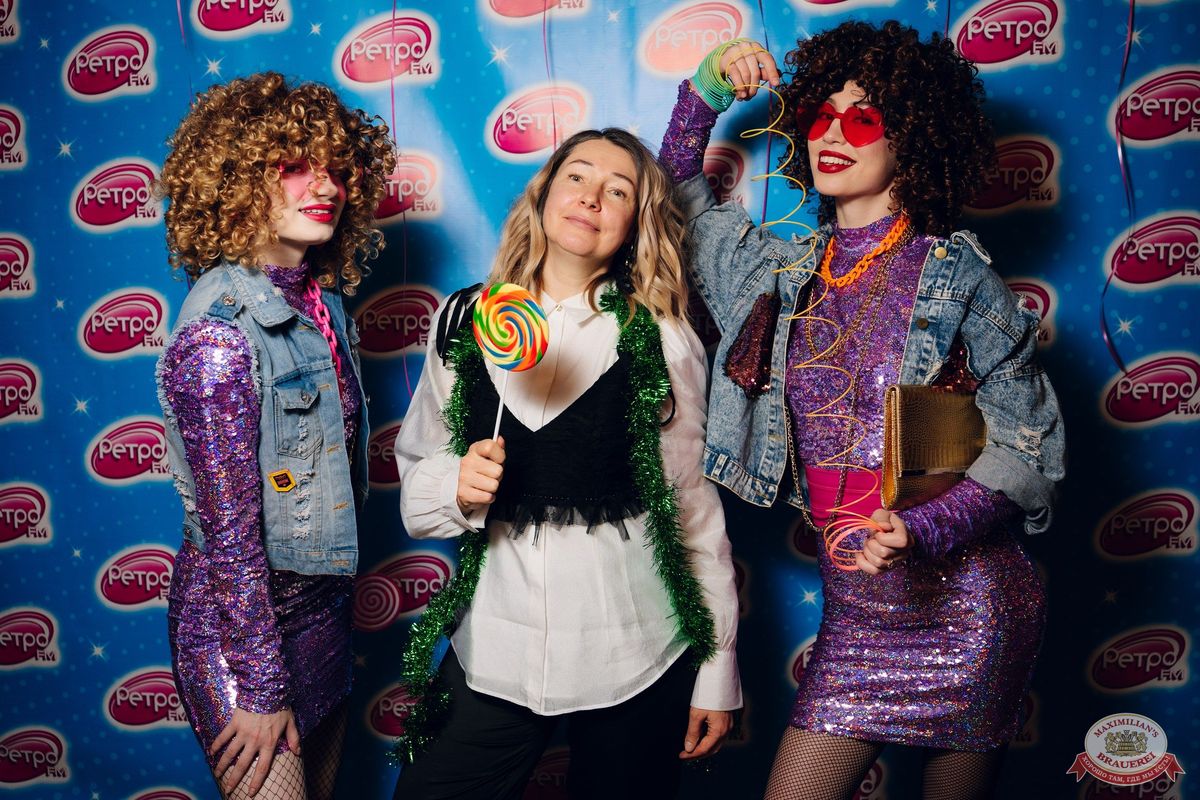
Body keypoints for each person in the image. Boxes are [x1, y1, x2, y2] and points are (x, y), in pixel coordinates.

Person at [658, 20, 1064, 800]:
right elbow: (678, 199)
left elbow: (1030, 446)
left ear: (913, 139)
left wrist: (924, 526)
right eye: (822, 116)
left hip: (968, 604)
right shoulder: (775, 274)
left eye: (865, 118)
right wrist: (706, 91)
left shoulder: (956, 276)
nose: (833, 134)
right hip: (855, 615)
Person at [392, 128, 742, 800]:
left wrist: (717, 670)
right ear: (545, 193)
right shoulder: (465, 319)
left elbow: (694, 516)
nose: (591, 198)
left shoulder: (661, 339)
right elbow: (417, 472)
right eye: (576, 176)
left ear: (636, 223)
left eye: (618, 191)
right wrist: (454, 485)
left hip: (635, 655)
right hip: (495, 649)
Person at [155, 72, 394, 799]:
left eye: (338, 168)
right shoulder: (220, 334)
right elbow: (229, 533)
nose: (326, 186)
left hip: (322, 613)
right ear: (234, 179)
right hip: (240, 636)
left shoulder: (324, 305)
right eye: (294, 164)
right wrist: (259, 683)